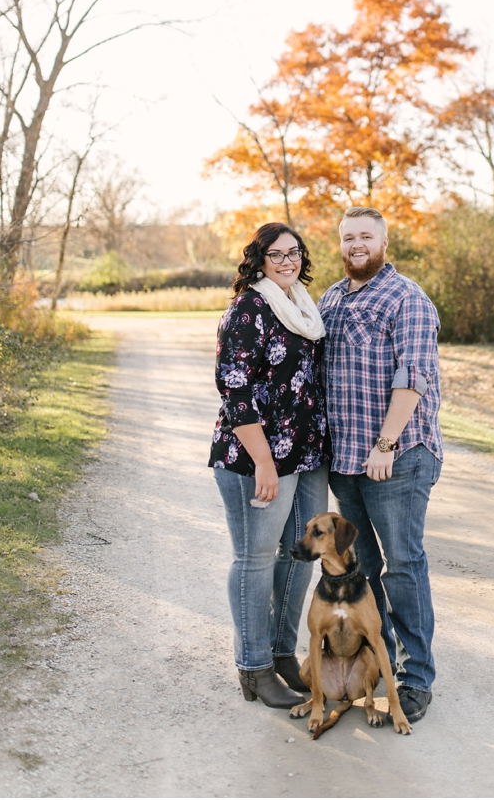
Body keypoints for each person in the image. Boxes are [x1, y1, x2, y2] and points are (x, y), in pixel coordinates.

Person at [317, 206, 445, 726]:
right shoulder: (330, 298)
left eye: (366, 236)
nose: (356, 245)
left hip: (397, 456)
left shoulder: (407, 298)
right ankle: (381, 666)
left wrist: (386, 445)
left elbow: (412, 377)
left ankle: (417, 680)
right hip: (346, 462)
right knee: (365, 568)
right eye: (348, 238)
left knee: (403, 565)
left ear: (385, 241)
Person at [209, 220, 329, 709]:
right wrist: (263, 461)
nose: (287, 261)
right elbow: (235, 392)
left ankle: (282, 654)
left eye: (294, 252)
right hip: (254, 457)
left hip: (306, 454)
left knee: (301, 554)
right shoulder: (248, 309)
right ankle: (253, 667)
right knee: (255, 559)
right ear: (258, 259)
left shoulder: (303, 305)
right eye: (276, 254)